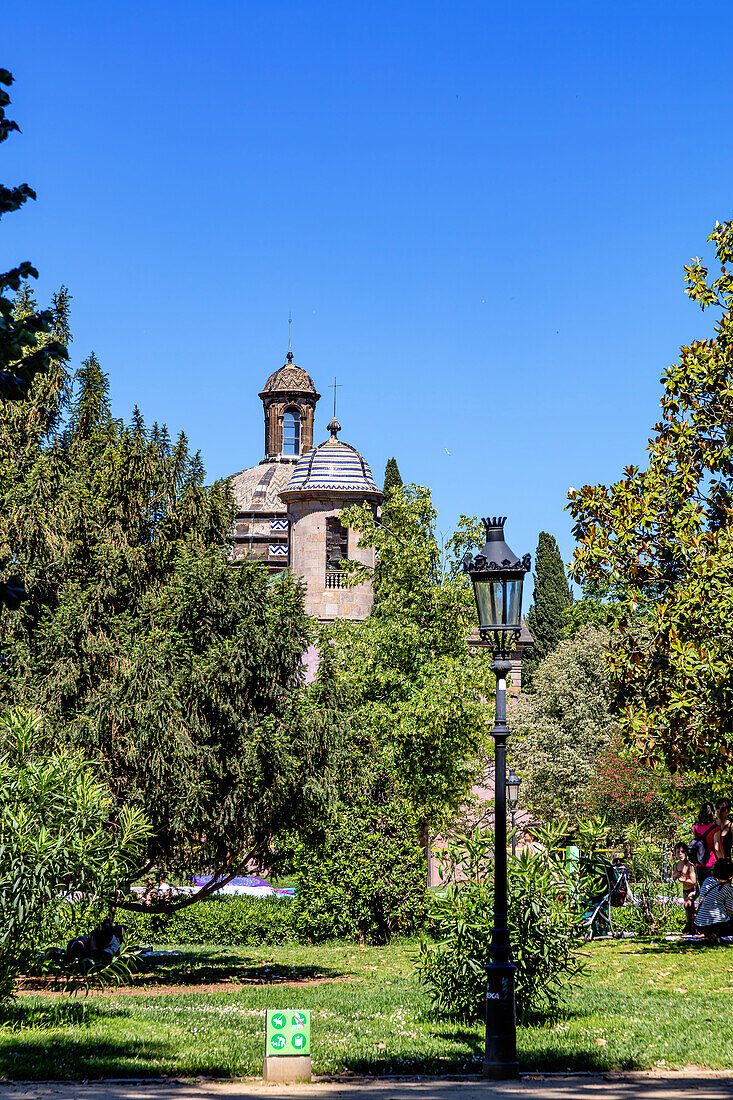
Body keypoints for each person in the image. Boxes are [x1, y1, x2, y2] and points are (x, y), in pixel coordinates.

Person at [693, 857, 733, 943]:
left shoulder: (708, 880)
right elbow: (729, 911)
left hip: (699, 924)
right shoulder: (728, 889)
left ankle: (709, 934)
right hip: (717, 925)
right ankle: (714, 934)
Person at [692, 802, 723, 886]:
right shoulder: (715, 828)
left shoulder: (696, 827)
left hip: (700, 863)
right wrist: (723, 861)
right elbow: (717, 847)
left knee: (703, 890)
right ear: (712, 813)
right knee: (713, 891)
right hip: (712, 863)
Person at [671, 842, 697, 934]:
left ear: (686, 853)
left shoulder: (689, 866)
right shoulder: (676, 865)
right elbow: (673, 877)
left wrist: (684, 880)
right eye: (678, 852)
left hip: (692, 889)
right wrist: (676, 875)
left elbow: (694, 881)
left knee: (688, 905)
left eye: (682, 852)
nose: (680, 854)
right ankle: (689, 924)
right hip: (685, 890)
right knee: (687, 908)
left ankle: (694, 924)